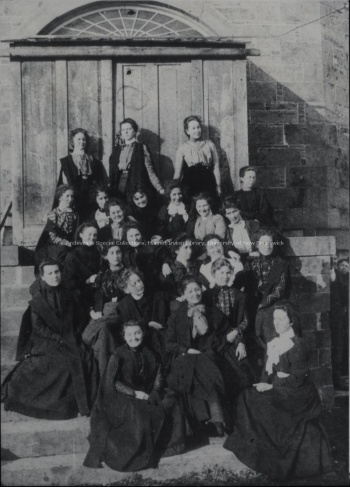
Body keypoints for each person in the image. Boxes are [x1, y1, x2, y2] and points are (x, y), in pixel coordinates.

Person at [224, 301, 333, 481]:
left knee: (260, 402)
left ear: (292, 322)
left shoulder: (298, 345)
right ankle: (254, 449)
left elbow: (298, 378)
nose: (277, 323)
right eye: (275, 319)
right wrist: (262, 384)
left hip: (297, 393)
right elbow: (267, 372)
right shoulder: (274, 343)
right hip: (279, 387)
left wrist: (272, 387)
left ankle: (272, 457)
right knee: (247, 396)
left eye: (282, 319)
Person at [84, 320, 186, 472]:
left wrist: (155, 393)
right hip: (122, 395)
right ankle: (138, 453)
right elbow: (113, 382)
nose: (134, 337)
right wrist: (133, 393)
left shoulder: (151, 353)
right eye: (130, 334)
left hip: (146, 392)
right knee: (137, 411)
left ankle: (171, 446)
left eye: (137, 333)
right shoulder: (118, 354)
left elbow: (159, 376)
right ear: (124, 337)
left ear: (142, 334)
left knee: (172, 400)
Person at [1, 259, 98, 420]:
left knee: (85, 357)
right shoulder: (39, 298)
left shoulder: (70, 292)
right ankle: (50, 405)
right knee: (60, 362)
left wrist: (74, 332)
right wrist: (59, 338)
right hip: (45, 340)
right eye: (50, 273)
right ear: (43, 277)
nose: (54, 276)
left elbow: (80, 316)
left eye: (57, 272)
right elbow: (38, 327)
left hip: (68, 336)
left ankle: (75, 404)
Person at [166, 275, 250, 438]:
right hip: (186, 356)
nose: (195, 294)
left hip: (211, 352)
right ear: (184, 294)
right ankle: (216, 420)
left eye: (197, 289)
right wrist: (186, 350)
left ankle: (217, 421)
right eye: (190, 291)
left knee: (210, 367)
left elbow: (228, 330)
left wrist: (240, 341)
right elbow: (169, 343)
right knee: (201, 368)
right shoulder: (177, 316)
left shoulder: (212, 311)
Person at [82, 243, 126, 374]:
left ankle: (104, 375)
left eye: (118, 252)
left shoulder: (128, 273)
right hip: (103, 315)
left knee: (99, 332)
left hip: (121, 315)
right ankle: (109, 373)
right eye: (111, 253)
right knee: (103, 333)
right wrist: (91, 311)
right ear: (106, 256)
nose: (116, 256)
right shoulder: (102, 276)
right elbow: (90, 296)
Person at [109, 118, 164, 198]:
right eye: (123, 129)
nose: (126, 132)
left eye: (129, 129)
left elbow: (150, 170)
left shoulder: (141, 148)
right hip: (119, 184)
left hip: (135, 183)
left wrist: (159, 188)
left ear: (135, 131)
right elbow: (112, 171)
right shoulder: (117, 149)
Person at [58, 128, 106, 218]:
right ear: (72, 141)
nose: (82, 142)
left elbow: (100, 182)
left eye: (84, 139)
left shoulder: (94, 161)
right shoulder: (66, 161)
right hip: (74, 200)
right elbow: (64, 184)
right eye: (78, 139)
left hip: (90, 201)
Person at [174, 116, 221, 201]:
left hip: (208, 182)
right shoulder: (182, 148)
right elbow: (178, 173)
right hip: (190, 184)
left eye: (198, 127)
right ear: (187, 131)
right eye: (193, 128)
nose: (197, 130)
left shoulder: (210, 145)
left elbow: (216, 167)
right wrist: (175, 189)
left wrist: (218, 185)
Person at [34, 185, 78, 273]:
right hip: (53, 244)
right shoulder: (53, 214)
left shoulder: (74, 214)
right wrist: (65, 242)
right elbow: (53, 237)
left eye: (72, 196)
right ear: (60, 197)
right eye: (67, 196)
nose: (70, 199)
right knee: (64, 250)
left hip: (70, 243)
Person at [62, 222, 101, 301]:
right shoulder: (72, 256)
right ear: (81, 235)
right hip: (80, 294)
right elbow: (68, 282)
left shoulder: (99, 252)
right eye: (89, 234)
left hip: (99, 292)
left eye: (95, 235)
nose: (92, 237)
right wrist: (87, 281)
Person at [330, 258, 349, 390]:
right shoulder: (335, 275)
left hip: (343, 316)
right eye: (341, 265)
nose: (344, 267)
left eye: (346, 266)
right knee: (337, 346)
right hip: (337, 316)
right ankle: (337, 380)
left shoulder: (344, 277)